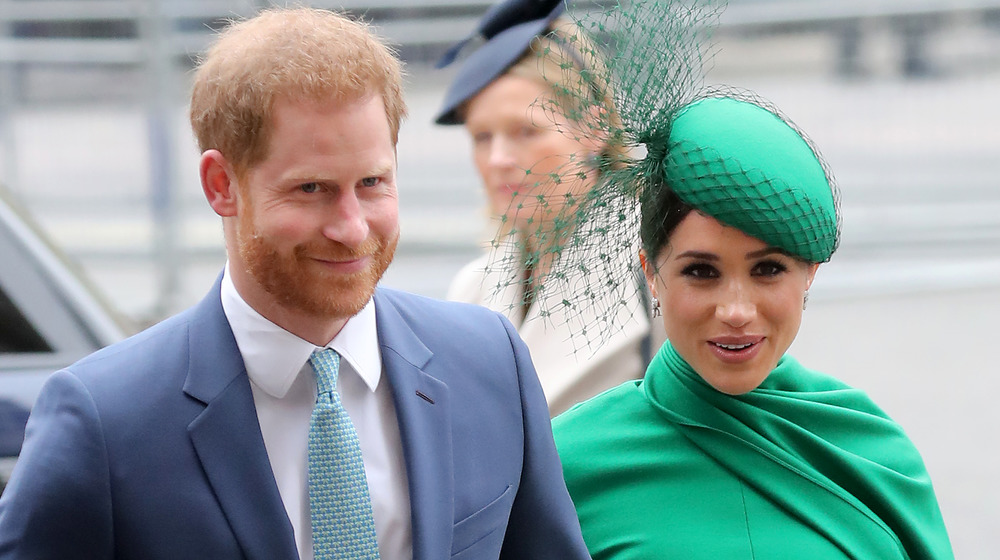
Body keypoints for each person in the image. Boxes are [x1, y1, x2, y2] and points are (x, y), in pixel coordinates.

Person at [0, 8, 590, 560]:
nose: (352, 228)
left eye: (372, 183)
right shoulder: (104, 421)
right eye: (311, 189)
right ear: (220, 185)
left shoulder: (488, 361)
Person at [553, 94, 954, 559]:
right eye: (701, 272)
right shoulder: (568, 466)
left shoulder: (874, 454)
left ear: (810, 272)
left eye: (767, 270)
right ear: (650, 274)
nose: (736, 311)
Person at [434, 0, 661, 415]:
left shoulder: (660, 271)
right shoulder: (471, 289)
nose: (498, 158)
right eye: (482, 137)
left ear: (594, 128)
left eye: (526, 131)